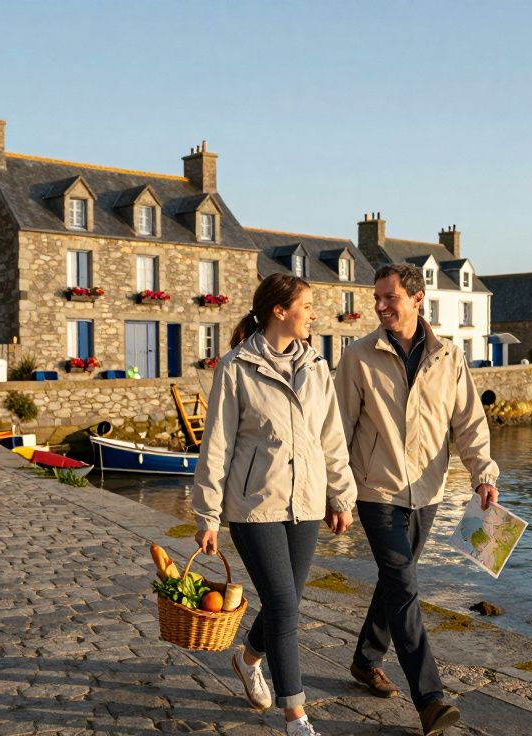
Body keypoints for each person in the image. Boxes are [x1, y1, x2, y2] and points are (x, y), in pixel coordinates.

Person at [335, 263, 499, 736]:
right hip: (375, 489)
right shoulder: (358, 356)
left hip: (427, 491)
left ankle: (366, 660)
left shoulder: (449, 357)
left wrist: (483, 474)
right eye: (377, 298)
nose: (381, 306)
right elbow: (340, 429)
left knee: (396, 582)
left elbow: (468, 422)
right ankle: (429, 698)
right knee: (404, 585)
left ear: (417, 298)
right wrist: (338, 494)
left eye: (390, 298)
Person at [193, 273, 357, 736]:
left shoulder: (318, 367)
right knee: (285, 604)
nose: (314, 314)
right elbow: (217, 445)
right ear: (280, 311)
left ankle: (248, 659)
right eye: (308, 305)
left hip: (306, 505)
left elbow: (332, 438)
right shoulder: (236, 367)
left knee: (285, 602)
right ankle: (296, 716)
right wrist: (207, 515)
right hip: (253, 506)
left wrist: (339, 495)